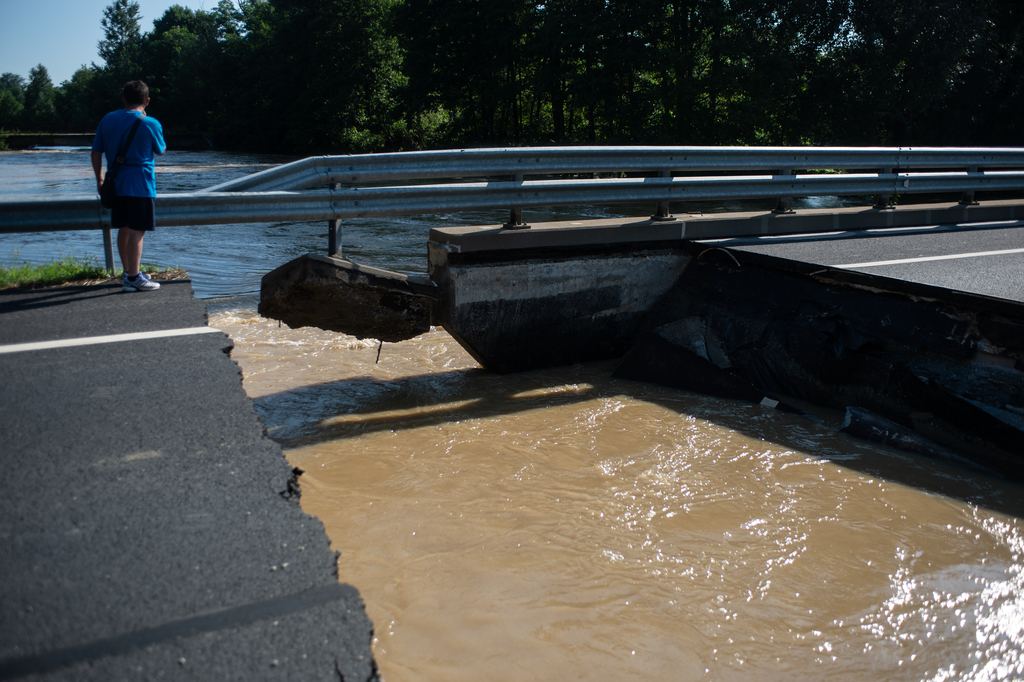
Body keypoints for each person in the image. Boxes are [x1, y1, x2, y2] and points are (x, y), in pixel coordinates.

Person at [91, 80, 166, 292]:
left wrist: (99, 180)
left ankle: (128, 272)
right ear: (147, 100)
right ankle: (134, 279)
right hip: (140, 184)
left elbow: (96, 152)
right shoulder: (151, 123)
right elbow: (160, 150)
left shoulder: (107, 120)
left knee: (123, 229)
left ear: (124, 98)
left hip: (115, 184)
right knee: (137, 232)